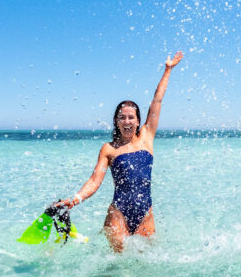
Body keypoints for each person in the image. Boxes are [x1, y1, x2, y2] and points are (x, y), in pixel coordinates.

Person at [53, 52, 183, 252]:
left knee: (144, 265)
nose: (127, 121)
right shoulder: (108, 149)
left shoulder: (147, 137)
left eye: (131, 117)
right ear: (116, 121)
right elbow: (95, 181)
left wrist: (168, 70)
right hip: (118, 213)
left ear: (138, 121)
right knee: (116, 265)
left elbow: (156, 102)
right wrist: (75, 199)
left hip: (145, 213)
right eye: (122, 117)